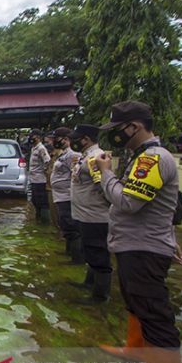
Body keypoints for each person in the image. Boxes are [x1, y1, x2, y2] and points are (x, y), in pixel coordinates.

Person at [95, 101, 182, 363]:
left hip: (144, 248)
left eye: (118, 129)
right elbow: (162, 206)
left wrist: (106, 173)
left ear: (133, 126)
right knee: (136, 303)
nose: (115, 135)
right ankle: (135, 351)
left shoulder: (153, 159)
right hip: (134, 245)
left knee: (154, 313)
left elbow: (128, 202)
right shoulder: (141, 156)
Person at [69, 124, 112, 302]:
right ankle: (89, 283)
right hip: (85, 214)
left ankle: (100, 296)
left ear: (86, 139)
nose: (73, 142)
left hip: (94, 216)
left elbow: (103, 186)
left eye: (76, 139)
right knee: (90, 251)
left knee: (98, 253)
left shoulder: (95, 158)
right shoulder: (85, 156)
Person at [49, 127, 83, 264]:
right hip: (61, 195)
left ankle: (76, 259)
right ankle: (69, 251)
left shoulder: (73, 155)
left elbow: (75, 174)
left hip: (67, 195)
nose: (54, 141)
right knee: (66, 224)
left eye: (56, 138)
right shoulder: (65, 153)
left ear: (66, 139)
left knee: (71, 226)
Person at [28, 129, 51, 223]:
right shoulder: (34, 148)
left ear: (37, 137)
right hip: (34, 179)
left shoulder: (41, 149)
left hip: (40, 180)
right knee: (35, 200)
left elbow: (47, 161)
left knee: (42, 202)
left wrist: (44, 171)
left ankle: (44, 221)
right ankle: (38, 219)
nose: (30, 138)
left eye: (32, 136)